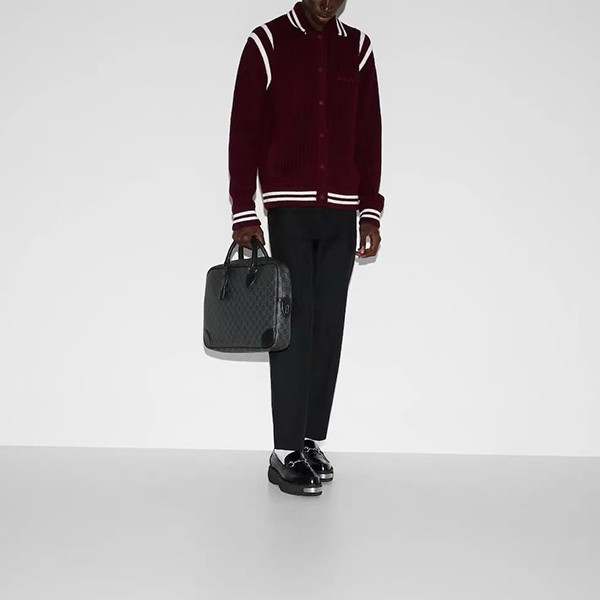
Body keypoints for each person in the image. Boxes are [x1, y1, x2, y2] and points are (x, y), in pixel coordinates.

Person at [227, 0, 384, 496]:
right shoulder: (267, 42)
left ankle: (311, 440)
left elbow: (369, 134)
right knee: (292, 327)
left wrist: (370, 210)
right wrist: (243, 209)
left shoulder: (358, 49)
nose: (326, 3)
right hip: (288, 211)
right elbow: (244, 129)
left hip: (342, 213)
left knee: (328, 327)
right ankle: (284, 451)